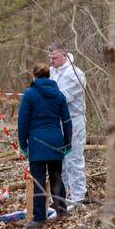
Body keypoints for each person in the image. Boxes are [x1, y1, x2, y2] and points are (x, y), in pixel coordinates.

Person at [17, 63, 72, 228]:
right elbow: (67, 121)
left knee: (39, 180)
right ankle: (62, 211)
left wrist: (23, 144)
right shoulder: (59, 95)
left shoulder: (29, 94)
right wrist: (67, 143)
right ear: (49, 76)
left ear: (34, 76)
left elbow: (23, 121)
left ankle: (39, 218)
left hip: (37, 142)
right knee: (56, 177)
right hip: (56, 141)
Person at [49, 43, 87, 205]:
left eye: (55, 57)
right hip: (55, 122)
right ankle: (59, 198)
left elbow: (62, 97)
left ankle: (78, 197)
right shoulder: (52, 72)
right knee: (58, 161)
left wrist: (43, 96)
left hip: (73, 121)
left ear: (64, 55)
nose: (52, 61)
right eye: (50, 57)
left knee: (73, 159)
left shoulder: (75, 74)